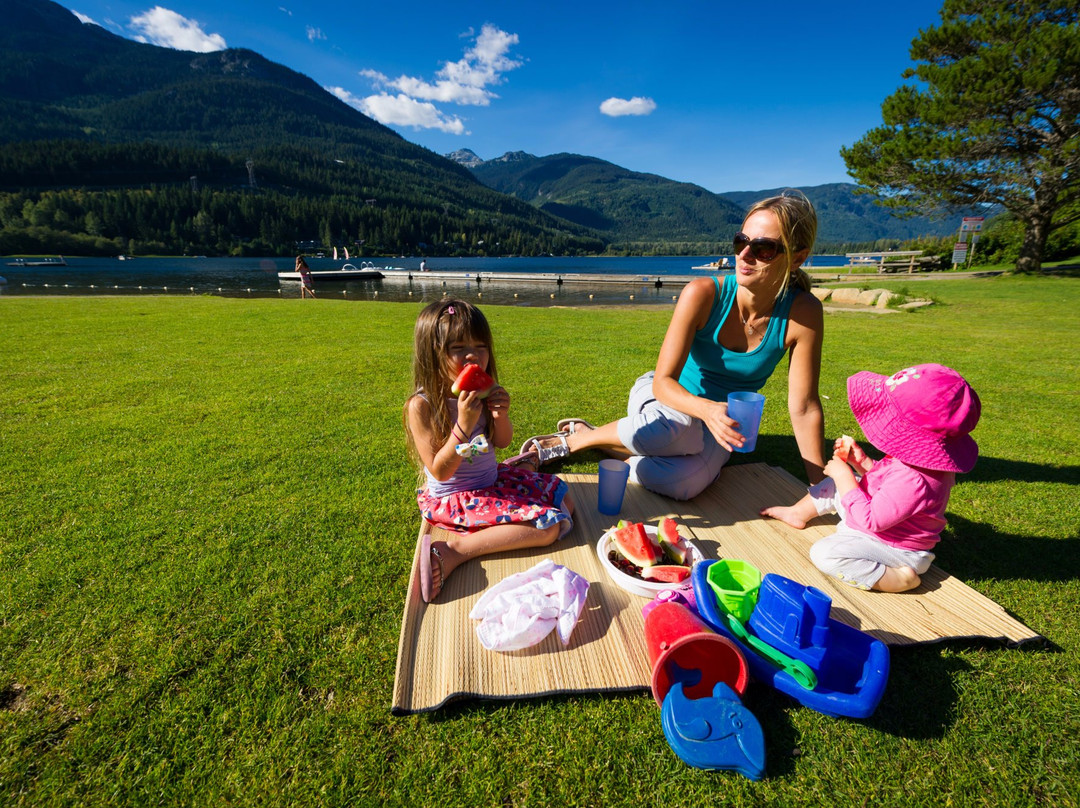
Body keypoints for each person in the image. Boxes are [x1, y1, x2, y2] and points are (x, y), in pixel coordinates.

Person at [517, 191, 827, 501]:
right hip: (664, 402)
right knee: (680, 429)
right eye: (741, 241)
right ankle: (577, 440)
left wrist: (821, 488)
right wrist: (707, 410)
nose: (745, 255)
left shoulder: (803, 313)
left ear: (797, 257)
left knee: (684, 483)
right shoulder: (704, 293)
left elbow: (804, 406)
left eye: (764, 249)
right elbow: (664, 384)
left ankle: (615, 445)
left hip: (719, 426)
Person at [404, 298, 575, 602]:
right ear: (433, 354)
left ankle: (521, 469)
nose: (473, 355)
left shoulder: (481, 393)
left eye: (481, 346)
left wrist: (500, 416)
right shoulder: (422, 406)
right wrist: (463, 424)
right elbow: (440, 470)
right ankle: (455, 550)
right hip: (456, 496)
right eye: (458, 348)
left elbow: (501, 441)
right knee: (549, 528)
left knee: (565, 499)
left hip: (492, 481)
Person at [761, 364, 981, 593]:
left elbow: (871, 519)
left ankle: (898, 579)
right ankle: (797, 513)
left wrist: (845, 475)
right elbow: (888, 484)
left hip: (894, 547)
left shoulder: (914, 478)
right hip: (886, 524)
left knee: (825, 553)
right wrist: (862, 462)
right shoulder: (919, 461)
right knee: (835, 485)